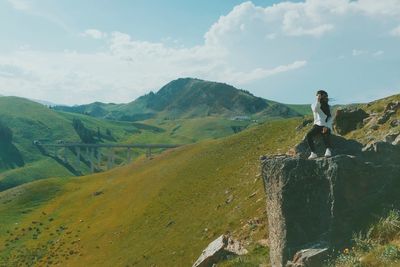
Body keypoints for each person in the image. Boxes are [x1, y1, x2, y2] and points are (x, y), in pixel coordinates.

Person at [307, 90, 333, 159]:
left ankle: (328, 150)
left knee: (326, 134)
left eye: (325, 96)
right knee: (309, 135)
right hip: (317, 124)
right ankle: (313, 153)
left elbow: (330, 118)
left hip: (325, 125)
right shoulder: (314, 104)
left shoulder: (329, 107)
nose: (324, 98)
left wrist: (327, 126)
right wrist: (318, 100)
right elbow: (316, 109)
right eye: (321, 96)